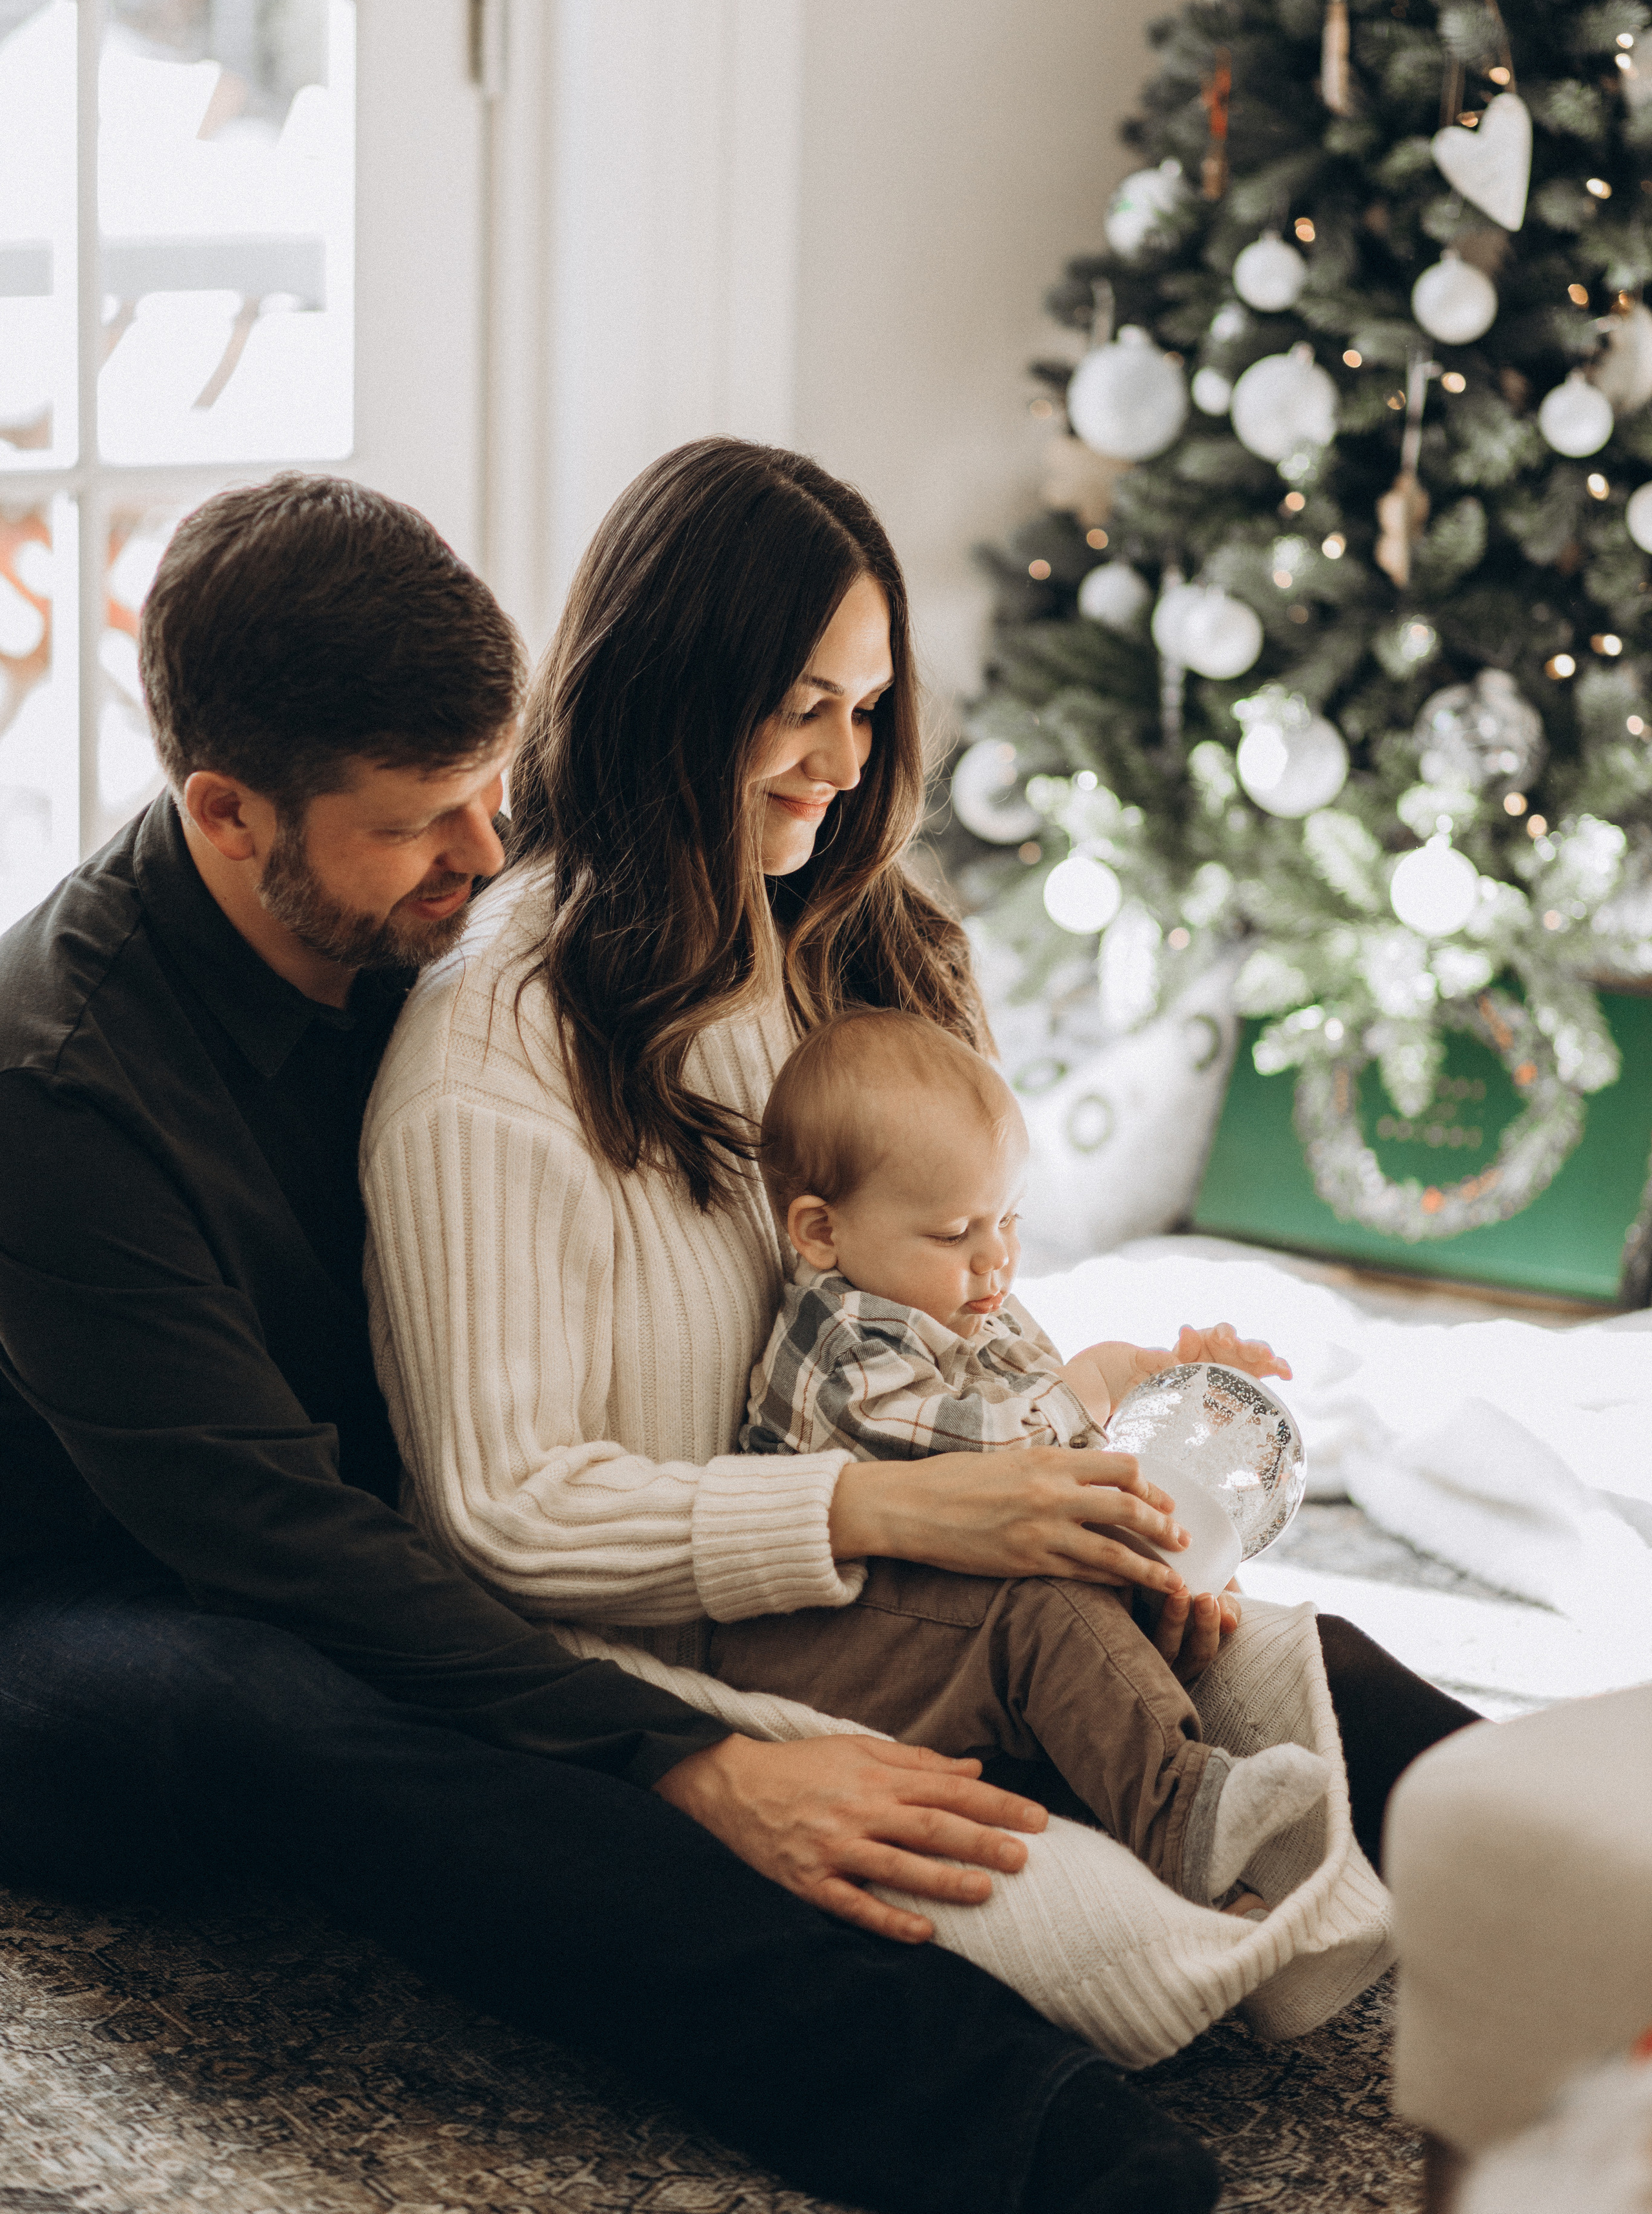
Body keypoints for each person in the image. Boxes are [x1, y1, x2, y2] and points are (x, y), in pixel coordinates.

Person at [0, 474, 1229, 2214]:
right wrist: (683, 1757)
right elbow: (273, 1544)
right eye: (426, 821)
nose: (486, 854)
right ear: (223, 815)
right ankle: (1017, 2137)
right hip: (85, 1588)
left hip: (383, 1511)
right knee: (286, 1698)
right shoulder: (58, 1087)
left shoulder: (438, 949)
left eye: (493, 792)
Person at [361, 434, 1477, 2053]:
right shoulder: (491, 1058)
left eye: (867, 704)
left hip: (897, 1580)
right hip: (668, 1663)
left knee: (1301, 1674)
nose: (838, 756)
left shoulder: (837, 937)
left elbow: (920, 1334)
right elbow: (504, 1513)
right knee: (1122, 1954)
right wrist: (914, 1512)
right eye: (797, 703)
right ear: (670, 692)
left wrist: (1097, 1449)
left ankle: (1591, 1879)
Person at [718, 1003, 1331, 1911]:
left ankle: (1158, 1815)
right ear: (821, 1233)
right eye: (954, 1232)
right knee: (1045, 1606)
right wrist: (1094, 1384)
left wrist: (1171, 1376)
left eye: (1008, 1220)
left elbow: (1067, 1432)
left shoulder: (969, 1305)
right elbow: (991, 1457)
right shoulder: (842, 1333)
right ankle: (1176, 1810)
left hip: (921, 1613)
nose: (995, 1262)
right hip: (816, 1641)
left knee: (1113, 1583)